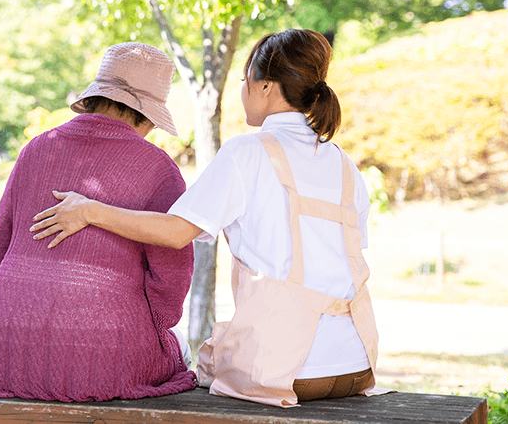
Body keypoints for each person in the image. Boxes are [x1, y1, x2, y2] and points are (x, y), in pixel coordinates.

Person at [30, 29, 383, 407]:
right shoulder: (344, 164)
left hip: (287, 370)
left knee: (187, 363)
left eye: (244, 80)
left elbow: (175, 232)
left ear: (265, 87)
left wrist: (89, 210)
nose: (242, 90)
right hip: (356, 362)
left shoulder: (247, 152)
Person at [0, 42, 197, 402]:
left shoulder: (38, 148)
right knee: (175, 354)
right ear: (146, 114)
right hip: (100, 350)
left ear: (95, 96)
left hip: (3, 347)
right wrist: (151, 325)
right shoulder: (159, 170)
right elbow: (171, 279)